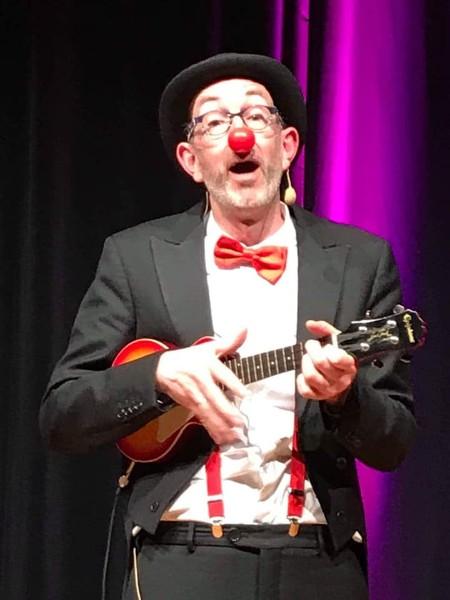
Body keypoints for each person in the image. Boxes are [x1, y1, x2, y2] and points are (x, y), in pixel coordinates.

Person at [40, 53, 417, 600]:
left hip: (318, 562)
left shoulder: (361, 260)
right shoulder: (137, 257)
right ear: (191, 160)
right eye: (215, 122)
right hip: (181, 558)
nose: (240, 136)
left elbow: (395, 443)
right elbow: (62, 415)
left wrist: (345, 397)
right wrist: (158, 375)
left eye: (256, 118)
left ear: (286, 146)